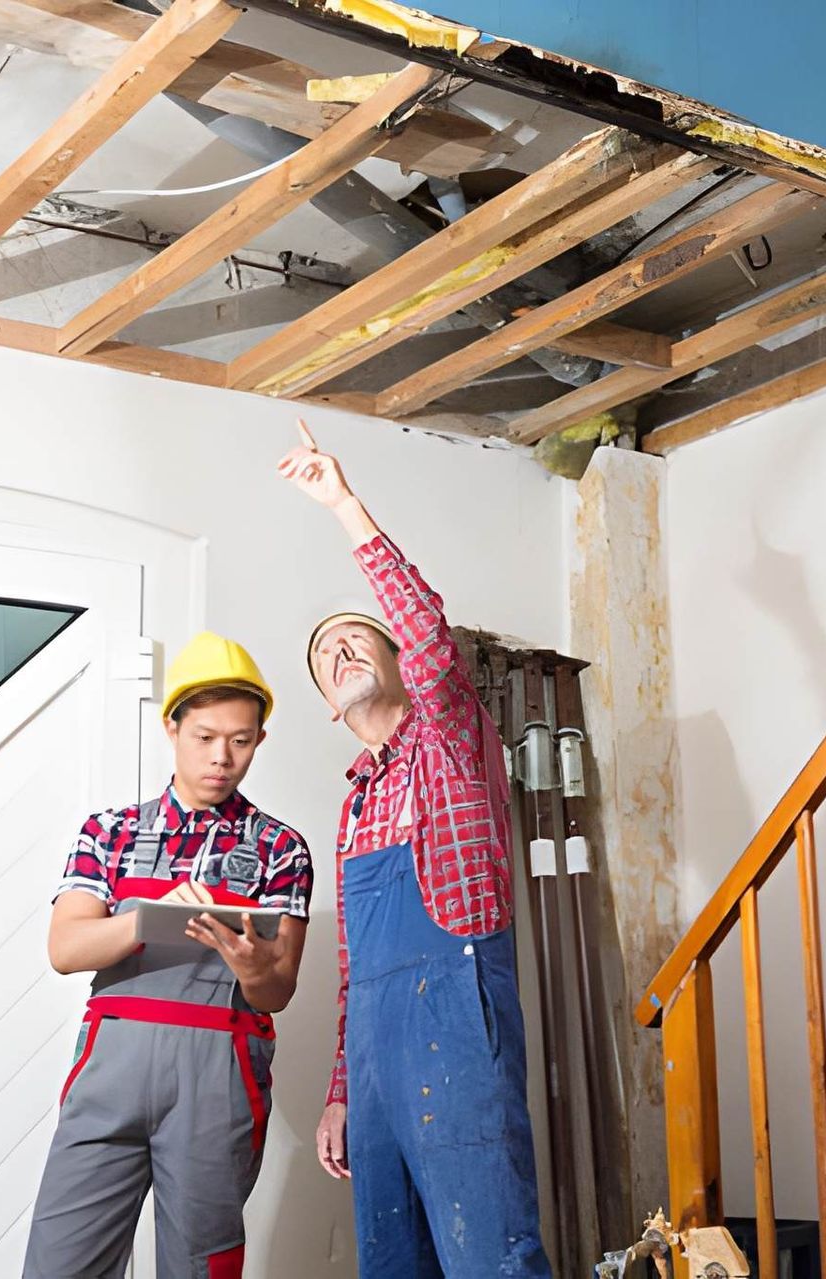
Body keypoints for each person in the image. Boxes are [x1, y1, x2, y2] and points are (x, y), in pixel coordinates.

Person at [277, 418, 549, 1278]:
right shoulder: (353, 805)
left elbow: (428, 632)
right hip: (379, 1070)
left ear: (401, 662)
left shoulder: (449, 740)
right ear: (328, 704)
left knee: (492, 1258)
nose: (339, 650)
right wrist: (340, 1093)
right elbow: (355, 969)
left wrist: (343, 504)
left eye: (356, 638)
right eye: (324, 655)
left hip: (457, 1040)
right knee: (394, 1267)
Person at [22, 633, 311, 1279]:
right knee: (60, 1262)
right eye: (205, 736)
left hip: (219, 1071)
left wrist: (251, 964)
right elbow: (67, 948)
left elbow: (278, 990)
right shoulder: (110, 831)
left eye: (240, 739)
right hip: (114, 1060)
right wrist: (146, 920)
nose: (222, 756)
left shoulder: (281, 847)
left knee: (201, 1263)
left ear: (259, 739)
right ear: (172, 726)